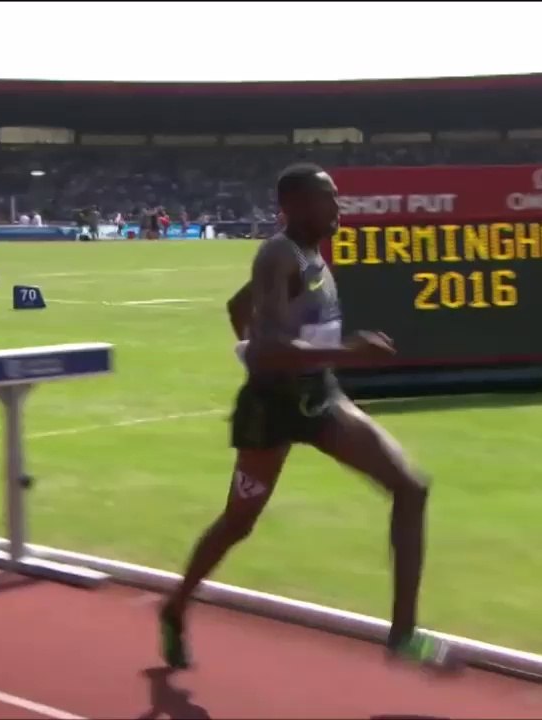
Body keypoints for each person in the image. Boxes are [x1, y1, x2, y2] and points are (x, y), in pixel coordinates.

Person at [158, 162, 459, 673]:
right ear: (295, 206)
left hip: (319, 400)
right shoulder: (277, 254)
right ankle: (173, 608)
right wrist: (344, 352)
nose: (339, 207)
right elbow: (271, 348)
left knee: (411, 487)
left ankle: (403, 636)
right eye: (328, 199)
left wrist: (253, 343)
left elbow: (240, 305)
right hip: (271, 412)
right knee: (238, 522)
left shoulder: (309, 252)